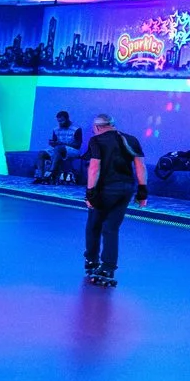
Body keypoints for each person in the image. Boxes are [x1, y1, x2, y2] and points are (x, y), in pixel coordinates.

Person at [82, 112, 148, 286]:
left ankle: (92, 261)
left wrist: (90, 193)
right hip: (125, 189)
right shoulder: (131, 139)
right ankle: (108, 267)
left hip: (105, 190)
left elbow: (94, 168)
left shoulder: (96, 141)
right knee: (111, 228)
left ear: (97, 127)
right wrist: (142, 192)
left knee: (94, 225)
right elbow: (140, 166)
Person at [33, 110, 83, 183]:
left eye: (62, 121)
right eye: (58, 121)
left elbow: (78, 145)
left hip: (73, 150)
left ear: (67, 119)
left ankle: (51, 172)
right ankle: (41, 176)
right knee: (41, 153)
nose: (60, 123)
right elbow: (55, 142)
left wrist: (62, 144)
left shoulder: (76, 129)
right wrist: (53, 143)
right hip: (58, 150)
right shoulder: (56, 129)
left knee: (58, 148)